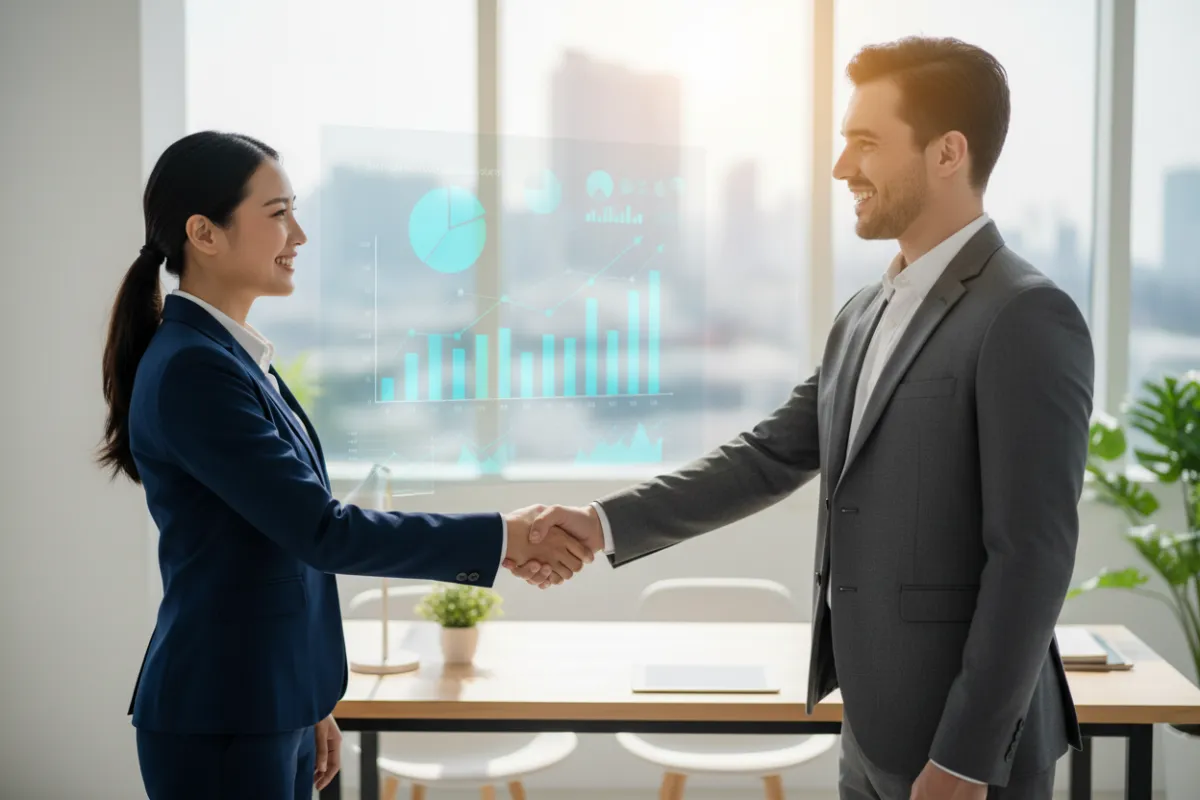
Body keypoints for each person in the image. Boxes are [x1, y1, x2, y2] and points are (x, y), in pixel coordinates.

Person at [508, 36, 1094, 800]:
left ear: (948, 153)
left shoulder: (1025, 314)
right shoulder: (863, 314)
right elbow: (767, 457)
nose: (841, 167)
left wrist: (964, 761)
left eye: (866, 143)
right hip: (871, 733)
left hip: (964, 758)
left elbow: (1032, 559)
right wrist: (600, 523)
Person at [98, 131, 592, 800]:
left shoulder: (232, 358)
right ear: (204, 233)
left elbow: (276, 548)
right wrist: (504, 537)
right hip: (225, 717)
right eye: (277, 214)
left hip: (269, 701)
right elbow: (321, 530)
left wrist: (309, 696)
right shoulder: (194, 368)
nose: (298, 235)